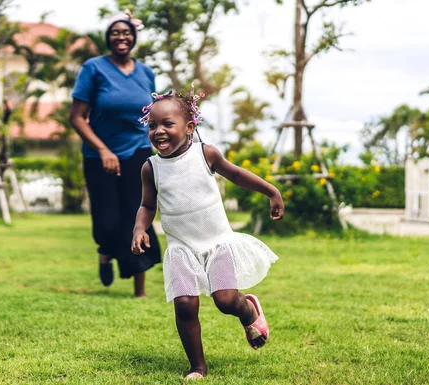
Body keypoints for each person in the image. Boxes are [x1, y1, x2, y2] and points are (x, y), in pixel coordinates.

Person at [131, 87, 284, 379]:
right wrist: (140, 227)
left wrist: (271, 191)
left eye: (167, 124)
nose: (159, 131)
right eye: (152, 126)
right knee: (185, 306)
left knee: (226, 301)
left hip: (217, 244)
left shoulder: (206, 154)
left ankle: (248, 311)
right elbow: (147, 205)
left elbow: (237, 174)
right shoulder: (150, 168)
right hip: (180, 248)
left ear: (189, 127)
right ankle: (197, 366)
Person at [70, 10, 161, 297]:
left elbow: (151, 117)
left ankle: (140, 290)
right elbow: (77, 117)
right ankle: (106, 251)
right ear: (107, 38)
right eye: (114, 33)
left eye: (126, 33)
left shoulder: (146, 73)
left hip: (138, 152)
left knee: (138, 216)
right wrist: (103, 149)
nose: (121, 37)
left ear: (133, 37)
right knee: (108, 222)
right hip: (100, 157)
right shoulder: (93, 69)